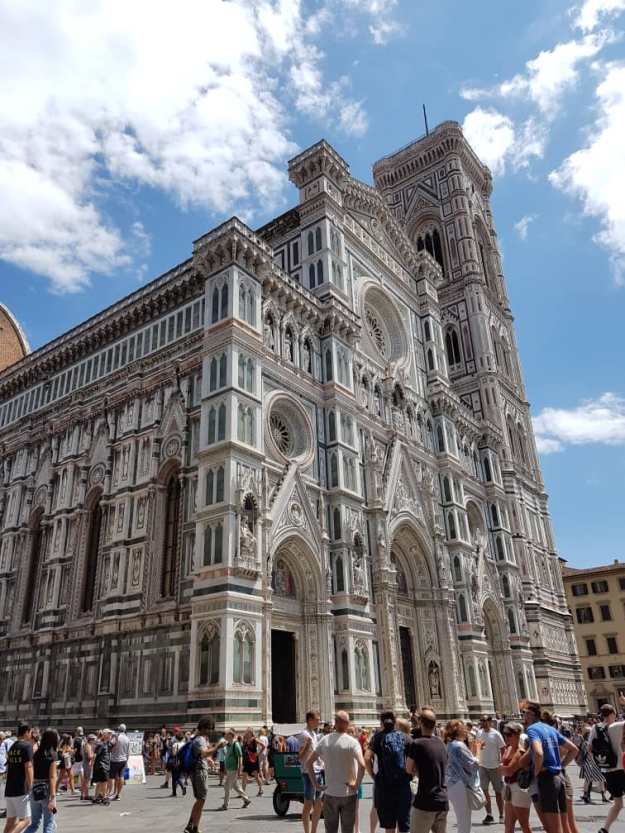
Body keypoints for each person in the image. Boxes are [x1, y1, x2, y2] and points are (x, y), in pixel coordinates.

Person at [520, 701, 578, 833]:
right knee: (563, 825)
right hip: (559, 778)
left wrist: (536, 771)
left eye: (525, 713)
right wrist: (560, 765)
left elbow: (539, 753)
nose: (524, 716)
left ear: (532, 715)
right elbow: (574, 749)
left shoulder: (532, 730)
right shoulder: (550, 729)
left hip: (546, 780)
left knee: (553, 828)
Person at [306, 710, 365, 833]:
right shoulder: (353, 742)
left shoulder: (325, 740)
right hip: (348, 793)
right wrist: (357, 784)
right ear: (347, 724)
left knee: (331, 830)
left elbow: (308, 763)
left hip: (330, 792)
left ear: (336, 723)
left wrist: (316, 785)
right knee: (348, 830)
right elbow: (362, 765)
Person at [366, 711, 411, 833]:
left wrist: (374, 776)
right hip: (402, 784)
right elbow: (414, 758)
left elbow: (366, 758)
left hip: (384, 785)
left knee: (389, 826)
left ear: (381, 723)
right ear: (394, 722)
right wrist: (410, 774)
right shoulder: (405, 737)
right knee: (404, 825)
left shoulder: (377, 737)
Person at [405, 707, 448, 833]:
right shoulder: (441, 743)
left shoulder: (417, 744)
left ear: (420, 723)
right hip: (442, 801)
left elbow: (408, 769)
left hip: (425, 801)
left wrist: (417, 770)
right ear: (435, 725)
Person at [184, 718, 225, 833]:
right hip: (199, 771)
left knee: (201, 799)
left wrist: (209, 759)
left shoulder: (197, 739)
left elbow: (204, 754)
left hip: (198, 770)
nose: (211, 731)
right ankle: (190, 825)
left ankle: (195, 827)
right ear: (204, 728)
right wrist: (218, 746)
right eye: (210, 728)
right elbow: (204, 753)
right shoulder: (200, 739)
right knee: (201, 799)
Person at [589, 703, 625, 833]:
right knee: (618, 804)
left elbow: (590, 749)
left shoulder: (595, 728)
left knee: (618, 803)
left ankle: (605, 829)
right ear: (612, 714)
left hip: (608, 772)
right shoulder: (618, 726)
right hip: (622, 769)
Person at [445, 719, 479, 833]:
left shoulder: (451, 744)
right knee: (464, 819)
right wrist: (478, 750)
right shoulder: (459, 745)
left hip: (453, 783)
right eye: (463, 729)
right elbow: (474, 764)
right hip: (460, 784)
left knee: (462, 818)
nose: (466, 731)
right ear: (457, 731)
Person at [500, 722, 531, 833]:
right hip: (509, 788)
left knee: (524, 825)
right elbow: (504, 768)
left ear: (518, 735)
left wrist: (498, 768)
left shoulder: (520, 751)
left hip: (519, 789)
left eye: (509, 734)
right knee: (508, 826)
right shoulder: (508, 749)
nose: (506, 737)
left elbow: (508, 771)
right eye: (504, 734)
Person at [25, 728, 58, 833]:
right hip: (46, 789)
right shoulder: (52, 755)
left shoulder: (36, 753)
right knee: (49, 823)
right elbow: (52, 777)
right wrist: (52, 797)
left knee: (34, 823)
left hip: (34, 788)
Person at [4, 723, 34, 833]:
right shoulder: (27, 746)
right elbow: (29, 766)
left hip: (10, 788)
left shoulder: (12, 747)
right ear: (26, 732)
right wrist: (30, 786)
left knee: (10, 822)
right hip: (21, 788)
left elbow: (8, 766)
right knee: (26, 820)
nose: (31, 735)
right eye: (31, 732)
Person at [298, 710, 324, 833]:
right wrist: (307, 746)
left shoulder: (314, 734)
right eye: (317, 719)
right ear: (310, 720)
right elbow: (300, 757)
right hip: (308, 773)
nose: (319, 721)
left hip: (318, 771)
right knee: (308, 803)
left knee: (318, 804)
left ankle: (314, 830)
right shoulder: (304, 734)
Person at [476, 715, 504, 825]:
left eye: (484, 720)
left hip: (495, 766)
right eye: (481, 720)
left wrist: (501, 763)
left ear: (490, 722)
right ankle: (489, 815)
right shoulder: (479, 733)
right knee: (484, 791)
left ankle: (502, 815)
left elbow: (503, 749)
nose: (482, 722)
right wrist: (477, 758)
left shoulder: (496, 734)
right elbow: (478, 746)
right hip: (482, 766)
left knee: (498, 792)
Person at [221, 729, 251, 810]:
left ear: (230, 736)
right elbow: (227, 755)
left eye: (226, 735)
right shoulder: (228, 744)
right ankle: (246, 799)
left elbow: (240, 757)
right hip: (229, 768)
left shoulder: (236, 745)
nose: (225, 736)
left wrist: (239, 768)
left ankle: (225, 804)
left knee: (226, 786)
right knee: (236, 786)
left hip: (233, 769)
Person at [577, 725, 607, 803]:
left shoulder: (586, 742)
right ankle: (590, 796)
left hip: (590, 763)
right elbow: (590, 753)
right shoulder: (587, 743)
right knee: (599, 779)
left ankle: (587, 795)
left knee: (592, 780)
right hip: (591, 762)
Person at [109, 724, 129, 801]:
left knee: (112, 777)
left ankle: (111, 793)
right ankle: (118, 794)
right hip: (123, 759)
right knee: (121, 776)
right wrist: (126, 760)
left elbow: (110, 746)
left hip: (115, 759)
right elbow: (128, 751)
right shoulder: (127, 738)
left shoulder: (116, 737)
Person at [91, 729, 112, 806]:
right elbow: (95, 754)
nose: (111, 735)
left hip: (102, 765)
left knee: (100, 783)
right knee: (104, 783)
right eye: (109, 734)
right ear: (105, 735)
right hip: (102, 766)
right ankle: (104, 798)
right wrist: (92, 763)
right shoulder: (101, 744)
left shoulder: (105, 743)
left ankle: (96, 798)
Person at [241, 730, 263, 797]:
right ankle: (242, 792)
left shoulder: (254, 740)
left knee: (256, 776)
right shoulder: (245, 740)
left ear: (250, 733)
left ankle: (260, 789)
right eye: (246, 732)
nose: (246, 733)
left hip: (253, 760)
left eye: (247, 732)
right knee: (244, 776)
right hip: (247, 760)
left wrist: (258, 753)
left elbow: (263, 746)